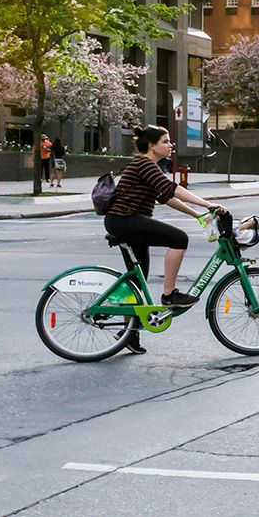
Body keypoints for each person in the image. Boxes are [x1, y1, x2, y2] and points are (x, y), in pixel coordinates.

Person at [104, 126, 230, 355]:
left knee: (138, 276)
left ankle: (129, 335)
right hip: (125, 220)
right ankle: (169, 294)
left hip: (126, 221)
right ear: (152, 146)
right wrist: (207, 204)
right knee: (179, 238)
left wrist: (197, 214)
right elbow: (172, 189)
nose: (170, 145)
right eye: (166, 141)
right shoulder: (144, 163)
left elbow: (166, 197)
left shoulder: (148, 166)